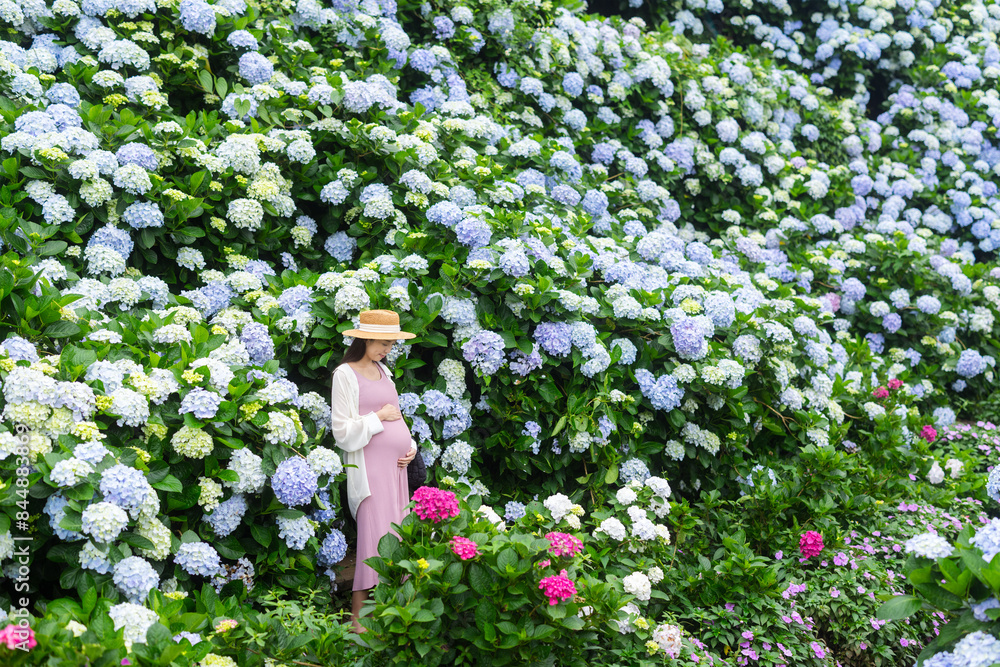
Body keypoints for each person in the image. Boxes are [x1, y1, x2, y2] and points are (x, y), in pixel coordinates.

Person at [330, 309, 418, 634]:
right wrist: (377, 417)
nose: (387, 350)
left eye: (391, 344)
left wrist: (411, 449)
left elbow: (398, 417)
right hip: (369, 471)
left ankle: (393, 611)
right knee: (373, 538)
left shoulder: (384, 371)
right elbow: (342, 432)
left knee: (395, 534)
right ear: (365, 338)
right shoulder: (345, 374)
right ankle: (357, 619)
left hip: (395, 471)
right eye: (383, 343)